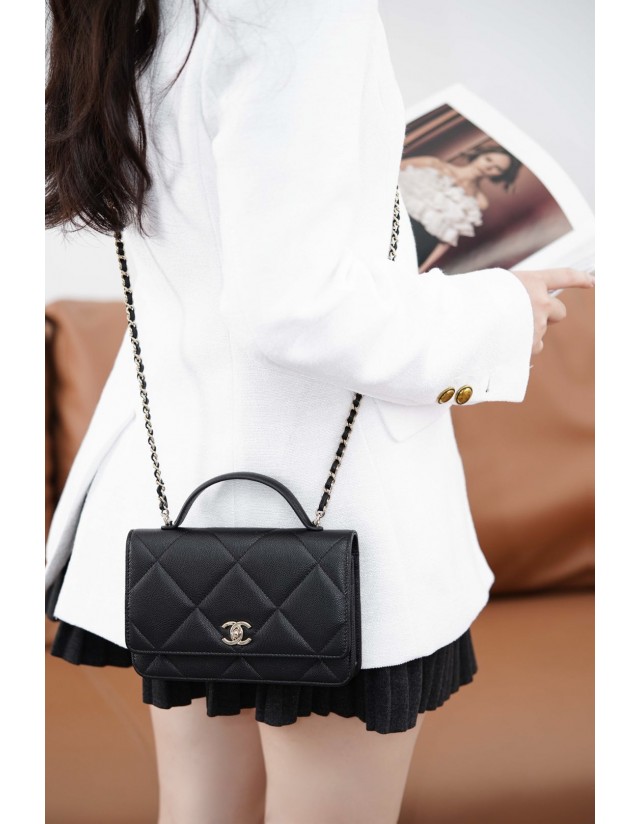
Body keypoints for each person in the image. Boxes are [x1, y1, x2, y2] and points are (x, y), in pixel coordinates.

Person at [44, 1, 594, 822]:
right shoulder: (302, 11)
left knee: (200, 808)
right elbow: (294, 309)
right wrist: (502, 313)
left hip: (174, 507)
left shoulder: (133, 13)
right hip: (332, 523)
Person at [398, 146, 522, 271]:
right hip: (394, 222)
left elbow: (447, 240)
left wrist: (421, 269)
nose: (488, 167)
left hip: (420, 246)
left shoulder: (479, 202)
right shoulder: (432, 164)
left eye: (498, 168)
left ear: (501, 175)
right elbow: (390, 176)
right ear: (479, 155)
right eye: (488, 159)